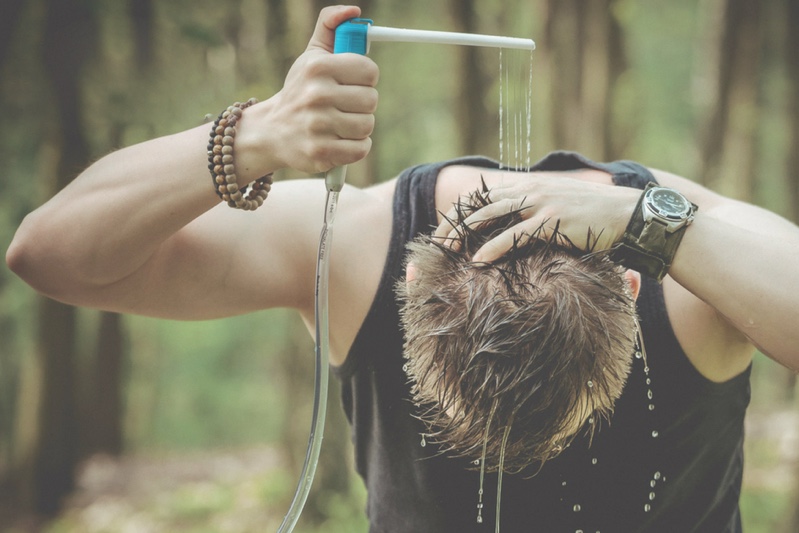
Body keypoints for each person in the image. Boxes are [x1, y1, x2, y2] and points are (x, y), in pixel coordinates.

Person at [6, 5, 799, 532]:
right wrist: (256, 135)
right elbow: (49, 253)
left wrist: (647, 222)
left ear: (633, 287)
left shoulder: (694, 269)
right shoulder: (357, 246)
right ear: (406, 291)